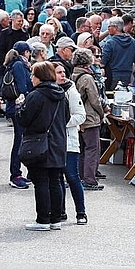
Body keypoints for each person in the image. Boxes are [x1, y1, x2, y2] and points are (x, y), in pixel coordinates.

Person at [17, 61, 69, 231]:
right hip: (59, 142)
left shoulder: (35, 95)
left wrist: (20, 106)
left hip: (40, 143)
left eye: (33, 75)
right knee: (55, 181)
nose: (31, 78)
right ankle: (55, 219)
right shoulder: (61, 94)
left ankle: (43, 219)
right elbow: (66, 118)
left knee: (41, 182)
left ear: (40, 77)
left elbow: (24, 119)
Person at [54, 63, 88, 225]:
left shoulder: (71, 91)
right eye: (58, 73)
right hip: (54, 142)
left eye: (63, 72)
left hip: (69, 141)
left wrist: (62, 122)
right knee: (57, 178)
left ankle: (81, 212)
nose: (62, 75)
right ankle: (60, 211)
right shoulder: (51, 91)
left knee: (72, 177)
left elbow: (81, 116)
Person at [71, 49, 105, 191]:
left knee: (82, 149)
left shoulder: (73, 75)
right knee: (92, 149)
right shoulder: (87, 78)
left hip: (79, 116)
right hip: (90, 117)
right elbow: (94, 99)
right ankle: (90, 179)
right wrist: (102, 113)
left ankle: (79, 176)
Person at [4, 42, 34, 189]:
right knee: (20, 141)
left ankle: (18, 173)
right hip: (18, 107)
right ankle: (15, 174)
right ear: (26, 52)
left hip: (14, 106)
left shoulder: (13, 64)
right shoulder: (19, 65)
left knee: (21, 140)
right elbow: (23, 87)